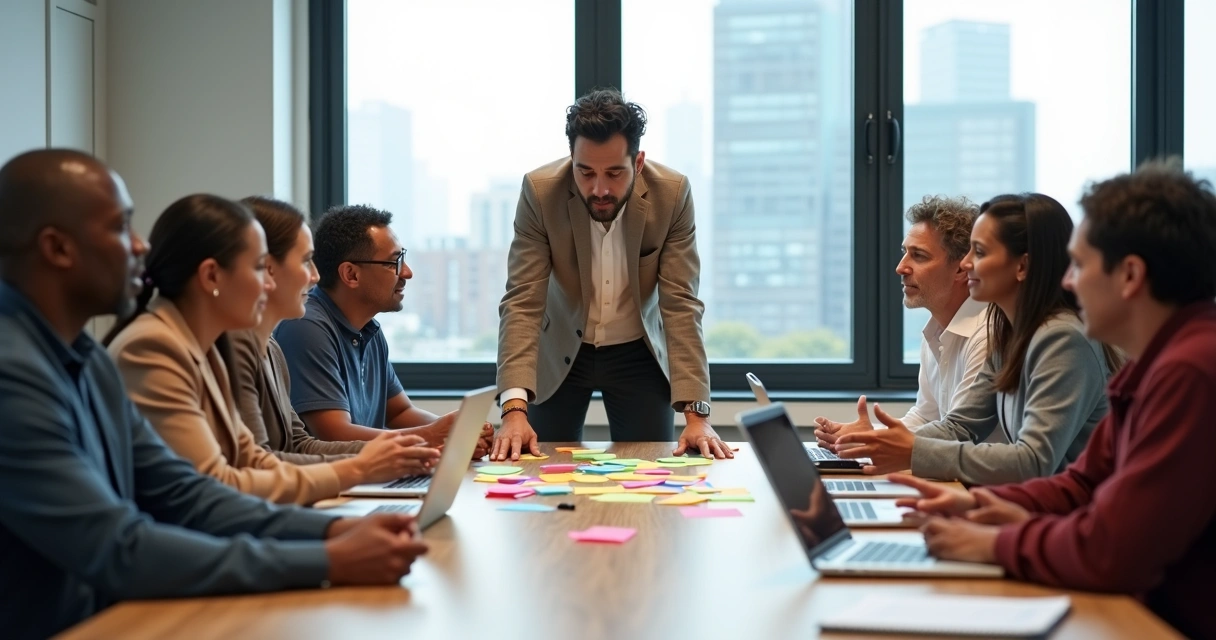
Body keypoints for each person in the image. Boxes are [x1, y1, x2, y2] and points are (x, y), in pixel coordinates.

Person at [0, 149, 426, 639]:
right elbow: (117, 545)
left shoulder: (86, 358)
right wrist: (328, 557)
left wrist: (332, 531)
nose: (139, 246)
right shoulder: (14, 375)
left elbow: (188, 495)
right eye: (120, 228)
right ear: (57, 249)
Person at [889, 160, 1216, 639]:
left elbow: (1111, 549)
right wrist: (984, 505)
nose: (1067, 281)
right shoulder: (1159, 363)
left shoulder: (1190, 371)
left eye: (1080, 265)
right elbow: (1083, 484)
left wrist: (999, 541)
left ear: (1129, 275)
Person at [105, 194, 438, 505]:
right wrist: (361, 471)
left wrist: (387, 457)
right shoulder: (161, 346)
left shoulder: (236, 346)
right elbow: (220, 484)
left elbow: (272, 453)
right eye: (259, 268)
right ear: (212, 276)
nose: (314, 277)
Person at [492, 88, 730, 461]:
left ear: (637, 163)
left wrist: (696, 414)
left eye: (614, 173)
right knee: (541, 466)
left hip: (639, 351)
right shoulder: (540, 193)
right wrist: (514, 410)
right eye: (585, 172)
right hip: (559, 352)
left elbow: (681, 304)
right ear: (571, 159)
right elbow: (522, 301)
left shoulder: (673, 195)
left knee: (649, 471)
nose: (599, 188)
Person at [831, 194, 1121, 484]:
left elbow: (1033, 461)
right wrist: (881, 444)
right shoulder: (1010, 331)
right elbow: (960, 426)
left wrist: (910, 451)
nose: (966, 263)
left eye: (979, 252)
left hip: (1073, 518)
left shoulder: (1062, 338)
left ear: (1022, 267)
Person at [273, 205, 493, 457]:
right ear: (351, 274)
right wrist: (430, 436)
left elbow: (399, 412)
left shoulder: (369, 329)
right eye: (394, 262)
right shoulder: (305, 327)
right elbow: (332, 432)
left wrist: (457, 434)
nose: (407, 272)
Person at [222, 196, 424, 466]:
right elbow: (258, 464)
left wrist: (396, 456)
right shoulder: (287, 332)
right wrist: (370, 465)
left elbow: (299, 444)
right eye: (306, 262)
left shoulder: (270, 348)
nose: (314, 276)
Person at [815, 195, 993, 446]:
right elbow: (925, 416)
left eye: (918, 256)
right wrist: (869, 435)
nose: (901, 267)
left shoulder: (987, 333)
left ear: (962, 269)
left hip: (977, 484)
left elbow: (959, 433)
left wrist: (876, 439)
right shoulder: (935, 330)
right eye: (904, 253)